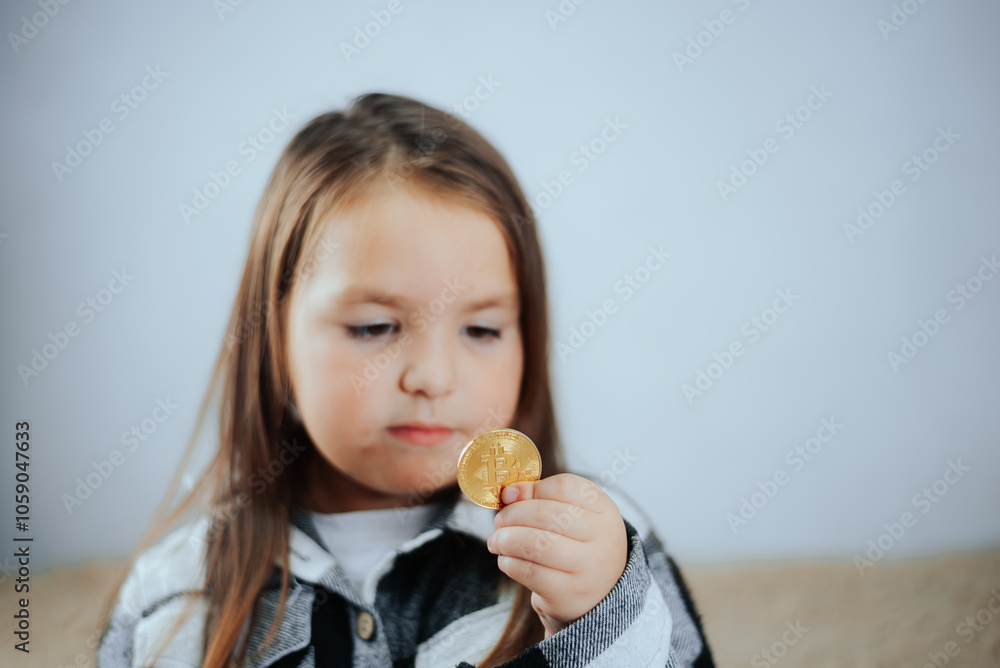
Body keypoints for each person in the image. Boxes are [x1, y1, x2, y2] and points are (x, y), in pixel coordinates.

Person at [96, 92, 716, 667]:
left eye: (481, 330)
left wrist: (601, 625)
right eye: (373, 327)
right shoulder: (172, 597)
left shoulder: (603, 550)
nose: (433, 377)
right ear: (274, 341)